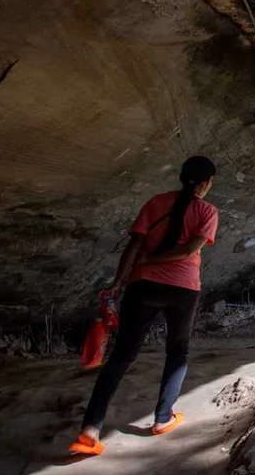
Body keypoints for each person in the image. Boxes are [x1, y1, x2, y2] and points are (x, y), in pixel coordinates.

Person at [68, 156, 219, 457]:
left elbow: (134, 245)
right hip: (183, 290)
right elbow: (188, 250)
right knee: (177, 352)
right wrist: (151, 262)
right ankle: (162, 418)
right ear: (206, 184)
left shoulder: (155, 203)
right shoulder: (207, 211)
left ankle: (90, 430)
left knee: (122, 355)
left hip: (142, 286)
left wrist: (119, 281)